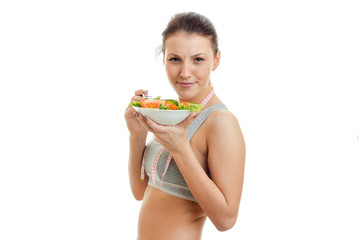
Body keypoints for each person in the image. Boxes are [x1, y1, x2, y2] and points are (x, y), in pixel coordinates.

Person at [124, 12, 246, 240]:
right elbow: (140, 192)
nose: (185, 72)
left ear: (216, 60)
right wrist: (137, 136)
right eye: (175, 59)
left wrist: (181, 149)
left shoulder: (221, 123)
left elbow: (226, 220)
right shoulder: (171, 114)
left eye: (198, 59)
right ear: (164, 59)